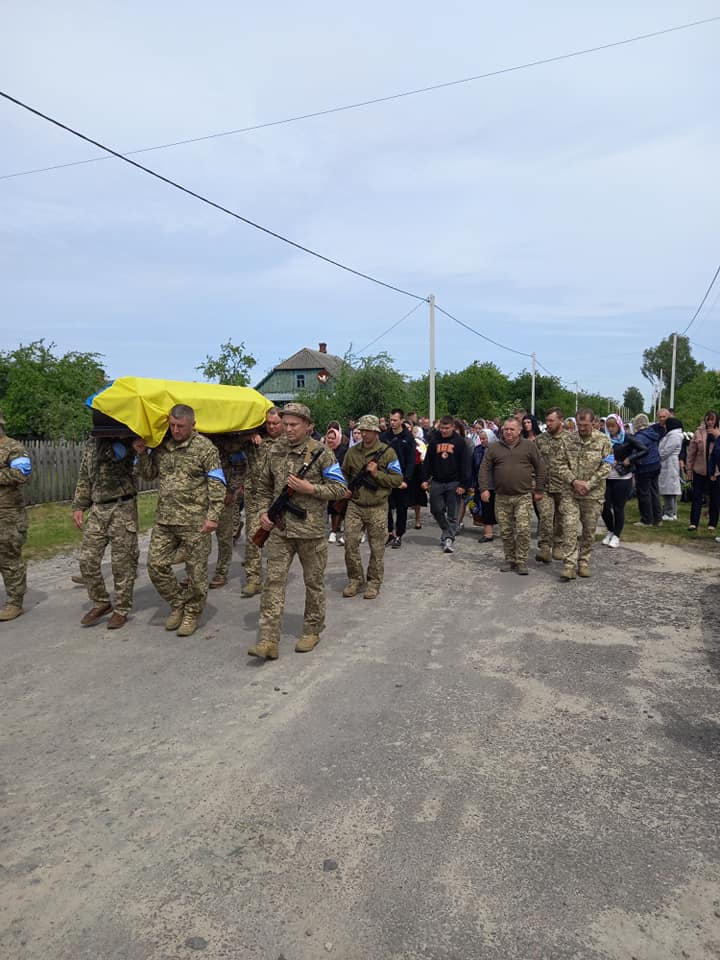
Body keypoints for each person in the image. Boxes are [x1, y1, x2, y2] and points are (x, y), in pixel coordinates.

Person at [247, 403, 347, 660]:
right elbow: (263, 488)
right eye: (285, 424)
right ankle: (268, 639)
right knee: (273, 582)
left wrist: (310, 489)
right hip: (280, 530)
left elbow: (340, 489)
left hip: (310, 532)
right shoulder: (275, 450)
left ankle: (312, 629)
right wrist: (263, 513)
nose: (288, 429)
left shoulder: (321, 453)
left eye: (294, 425)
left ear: (307, 426)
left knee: (313, 583)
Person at [134, 404, 226, 637]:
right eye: (172, 425)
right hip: (165, 519)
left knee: (196, 573)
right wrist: (142, 453)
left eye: (180, 426)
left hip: (195, 522)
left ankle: (193, 612)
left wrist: (213, 517)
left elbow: (217, 484)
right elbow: (148, 475)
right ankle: (178, 603)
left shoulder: (206, 449)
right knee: (155, 566)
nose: (175, 430)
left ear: (192, 425)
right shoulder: (162, 446)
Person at [71, 435, 139, 630]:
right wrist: (79, 505)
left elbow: (131, 465)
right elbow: (85, 475)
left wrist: (124, 443)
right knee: (87, 559)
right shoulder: (91, 443)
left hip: (122, 507)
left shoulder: (125, 442)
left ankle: (121, 609)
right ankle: (101, 602)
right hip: (97, 508)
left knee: (122, 563)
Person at [342, 414, 403, 599]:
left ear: (376, 432)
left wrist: (376, 474)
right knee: (350, 542)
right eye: (362, 430)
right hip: (355, 504)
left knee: (377, 547)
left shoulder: (388, 453)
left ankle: (374, 582)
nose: (364, 434)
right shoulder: (352, 452)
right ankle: (355, 579)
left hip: (377, 505)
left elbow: (397, 479)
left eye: (368, 431)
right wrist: (344, 489)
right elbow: (343, 474)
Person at [478, 418, 546, 575]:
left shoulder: (529, 446)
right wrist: (484, 489)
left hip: (523, 496)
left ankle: (521, 560)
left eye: (512, 429)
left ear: (519, 431)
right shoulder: (494, 448)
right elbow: (484, 469)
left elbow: (541, 467)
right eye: (506, 429)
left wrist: (539, 490)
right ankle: (510, 559)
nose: (508, 432)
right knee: (506, 531)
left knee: (523, 529)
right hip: (502, 497)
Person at [556, 407, 611, 580]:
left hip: (592, 494)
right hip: (570, 493)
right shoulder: (567, 440)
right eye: (579, 425)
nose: (582, 428)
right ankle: (569, 565)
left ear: (593, 423)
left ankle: (584, 562)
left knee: (588, 530)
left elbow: (607, 465)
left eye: (585, 425)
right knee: (570, 528)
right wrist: (574, 481)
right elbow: (560, 464)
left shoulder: (603, 441)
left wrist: (589, 483)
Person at [240, 407, 284, 596]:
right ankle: (253, 578)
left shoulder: (289, 443)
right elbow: (230, 441)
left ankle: (275, 577)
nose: (272, 427)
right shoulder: (256, 441)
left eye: (276, 423)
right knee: (253, 537)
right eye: (269, 423)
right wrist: (250, 433)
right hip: (256, 497)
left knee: (278, 540)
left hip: (280, 498)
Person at [0, 409, 32, 621]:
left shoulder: (13, 448)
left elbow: (22, 474)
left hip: (8, 515)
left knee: (9, 559)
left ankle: (15, 603)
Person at [421, 416, 470, 553]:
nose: (444, 431)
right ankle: (446, 530)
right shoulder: (434, 440)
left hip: (454, 482)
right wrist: (425, 479)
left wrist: (463, 485)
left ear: (453, 427)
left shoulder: (459, 442)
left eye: (447, 428)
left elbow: (465, 464)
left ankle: (449, 539)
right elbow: (428, 461)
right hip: (437, 480)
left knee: (452, 513)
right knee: (435, 509)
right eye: (442, 428)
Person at [601, 413, 647, 548]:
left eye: (613, 426)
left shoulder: (627, 438)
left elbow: (644, 450)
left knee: (618, 507)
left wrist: (630, 459)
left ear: (619, 425)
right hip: (606, 476)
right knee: (604, 507)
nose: (610, 429)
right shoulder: (604, 439)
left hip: (622, 477)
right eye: (608, 426)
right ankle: (610, 530)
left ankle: (616, 535)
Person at [207, 436, 247, 588]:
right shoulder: (198, 442)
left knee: (224, 536)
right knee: (197, 538)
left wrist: (231, 490)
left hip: (224, 495)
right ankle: (194, 573)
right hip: (200, 496)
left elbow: (240, 467)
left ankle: (221, 572)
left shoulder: (228, 443)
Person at [535, 407, 568, 563]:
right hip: (545, 487)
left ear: (560, 420)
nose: (547, 424)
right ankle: (545, 548)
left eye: (551, 420)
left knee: (561, 518)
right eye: (546, 420)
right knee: (546, 517)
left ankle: (558, 545)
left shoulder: (570, 439)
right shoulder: (540, 440)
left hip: (564, 487)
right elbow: (533, 463)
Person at [381, 408, 416, 549]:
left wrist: (406, 480)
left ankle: (399, 534)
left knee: (402, 508)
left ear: (402, 420)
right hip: (386, 477)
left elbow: (411, 461)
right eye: (391, 420)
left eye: (395, 420)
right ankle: (389, 533)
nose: (393, 423)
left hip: (401, 478)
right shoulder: (384, 436)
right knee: (387, 507)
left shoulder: (408, 438)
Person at [685, 411, 720, 532]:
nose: (710, 422)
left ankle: (712, 523)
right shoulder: (698, 433)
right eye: (708, 419)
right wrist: (689, 470)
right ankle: (694, 523)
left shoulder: (719, 433)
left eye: (712, 420)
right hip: (699, 470)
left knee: (715, 497)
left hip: (715, 471)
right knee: (697, 496)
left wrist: (718, 436)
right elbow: (691, 453)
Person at [631, 413, 663, 527]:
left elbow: (635, 453)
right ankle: (658, 518)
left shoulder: (639, 437)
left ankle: (647, 519)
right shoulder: (652, 434)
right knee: (654, 492)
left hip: (644, 466)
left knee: (644, 494)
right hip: (656, 464)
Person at [470, 428, 497, 543]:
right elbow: (472, 468)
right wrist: (471, 483)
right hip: (482, 483)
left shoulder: (497, 450)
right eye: (480, 439)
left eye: (484, 438)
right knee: (486, 509)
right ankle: (488, 533)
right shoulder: (477, 450)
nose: (482, 441)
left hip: (497, 483)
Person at [325, 422, 349, 544]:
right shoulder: (322, 450)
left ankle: (334, 532)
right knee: (330, 508)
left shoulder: (344, 451)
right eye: (328, 438)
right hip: (325, 484)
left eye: (333, 438)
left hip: (340, 483)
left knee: (338, 509)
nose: (330, 440)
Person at [658, 416, 684, 521]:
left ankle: (669, 513)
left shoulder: (674, 436)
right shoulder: (673, 435)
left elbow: (666, 451)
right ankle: (671, 512)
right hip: (669, 463)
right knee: (670, 489)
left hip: (669, 463)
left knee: (669, 489)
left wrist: (658, 455)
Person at [409, 425, 428, 528]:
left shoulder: (421, 443)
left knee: (417, 497)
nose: (414, 433)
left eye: (416, 431)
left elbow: (424, 457)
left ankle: (417, 519)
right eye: (413, 431)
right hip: (408, 471)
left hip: (418, 471)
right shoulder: (407, 441)